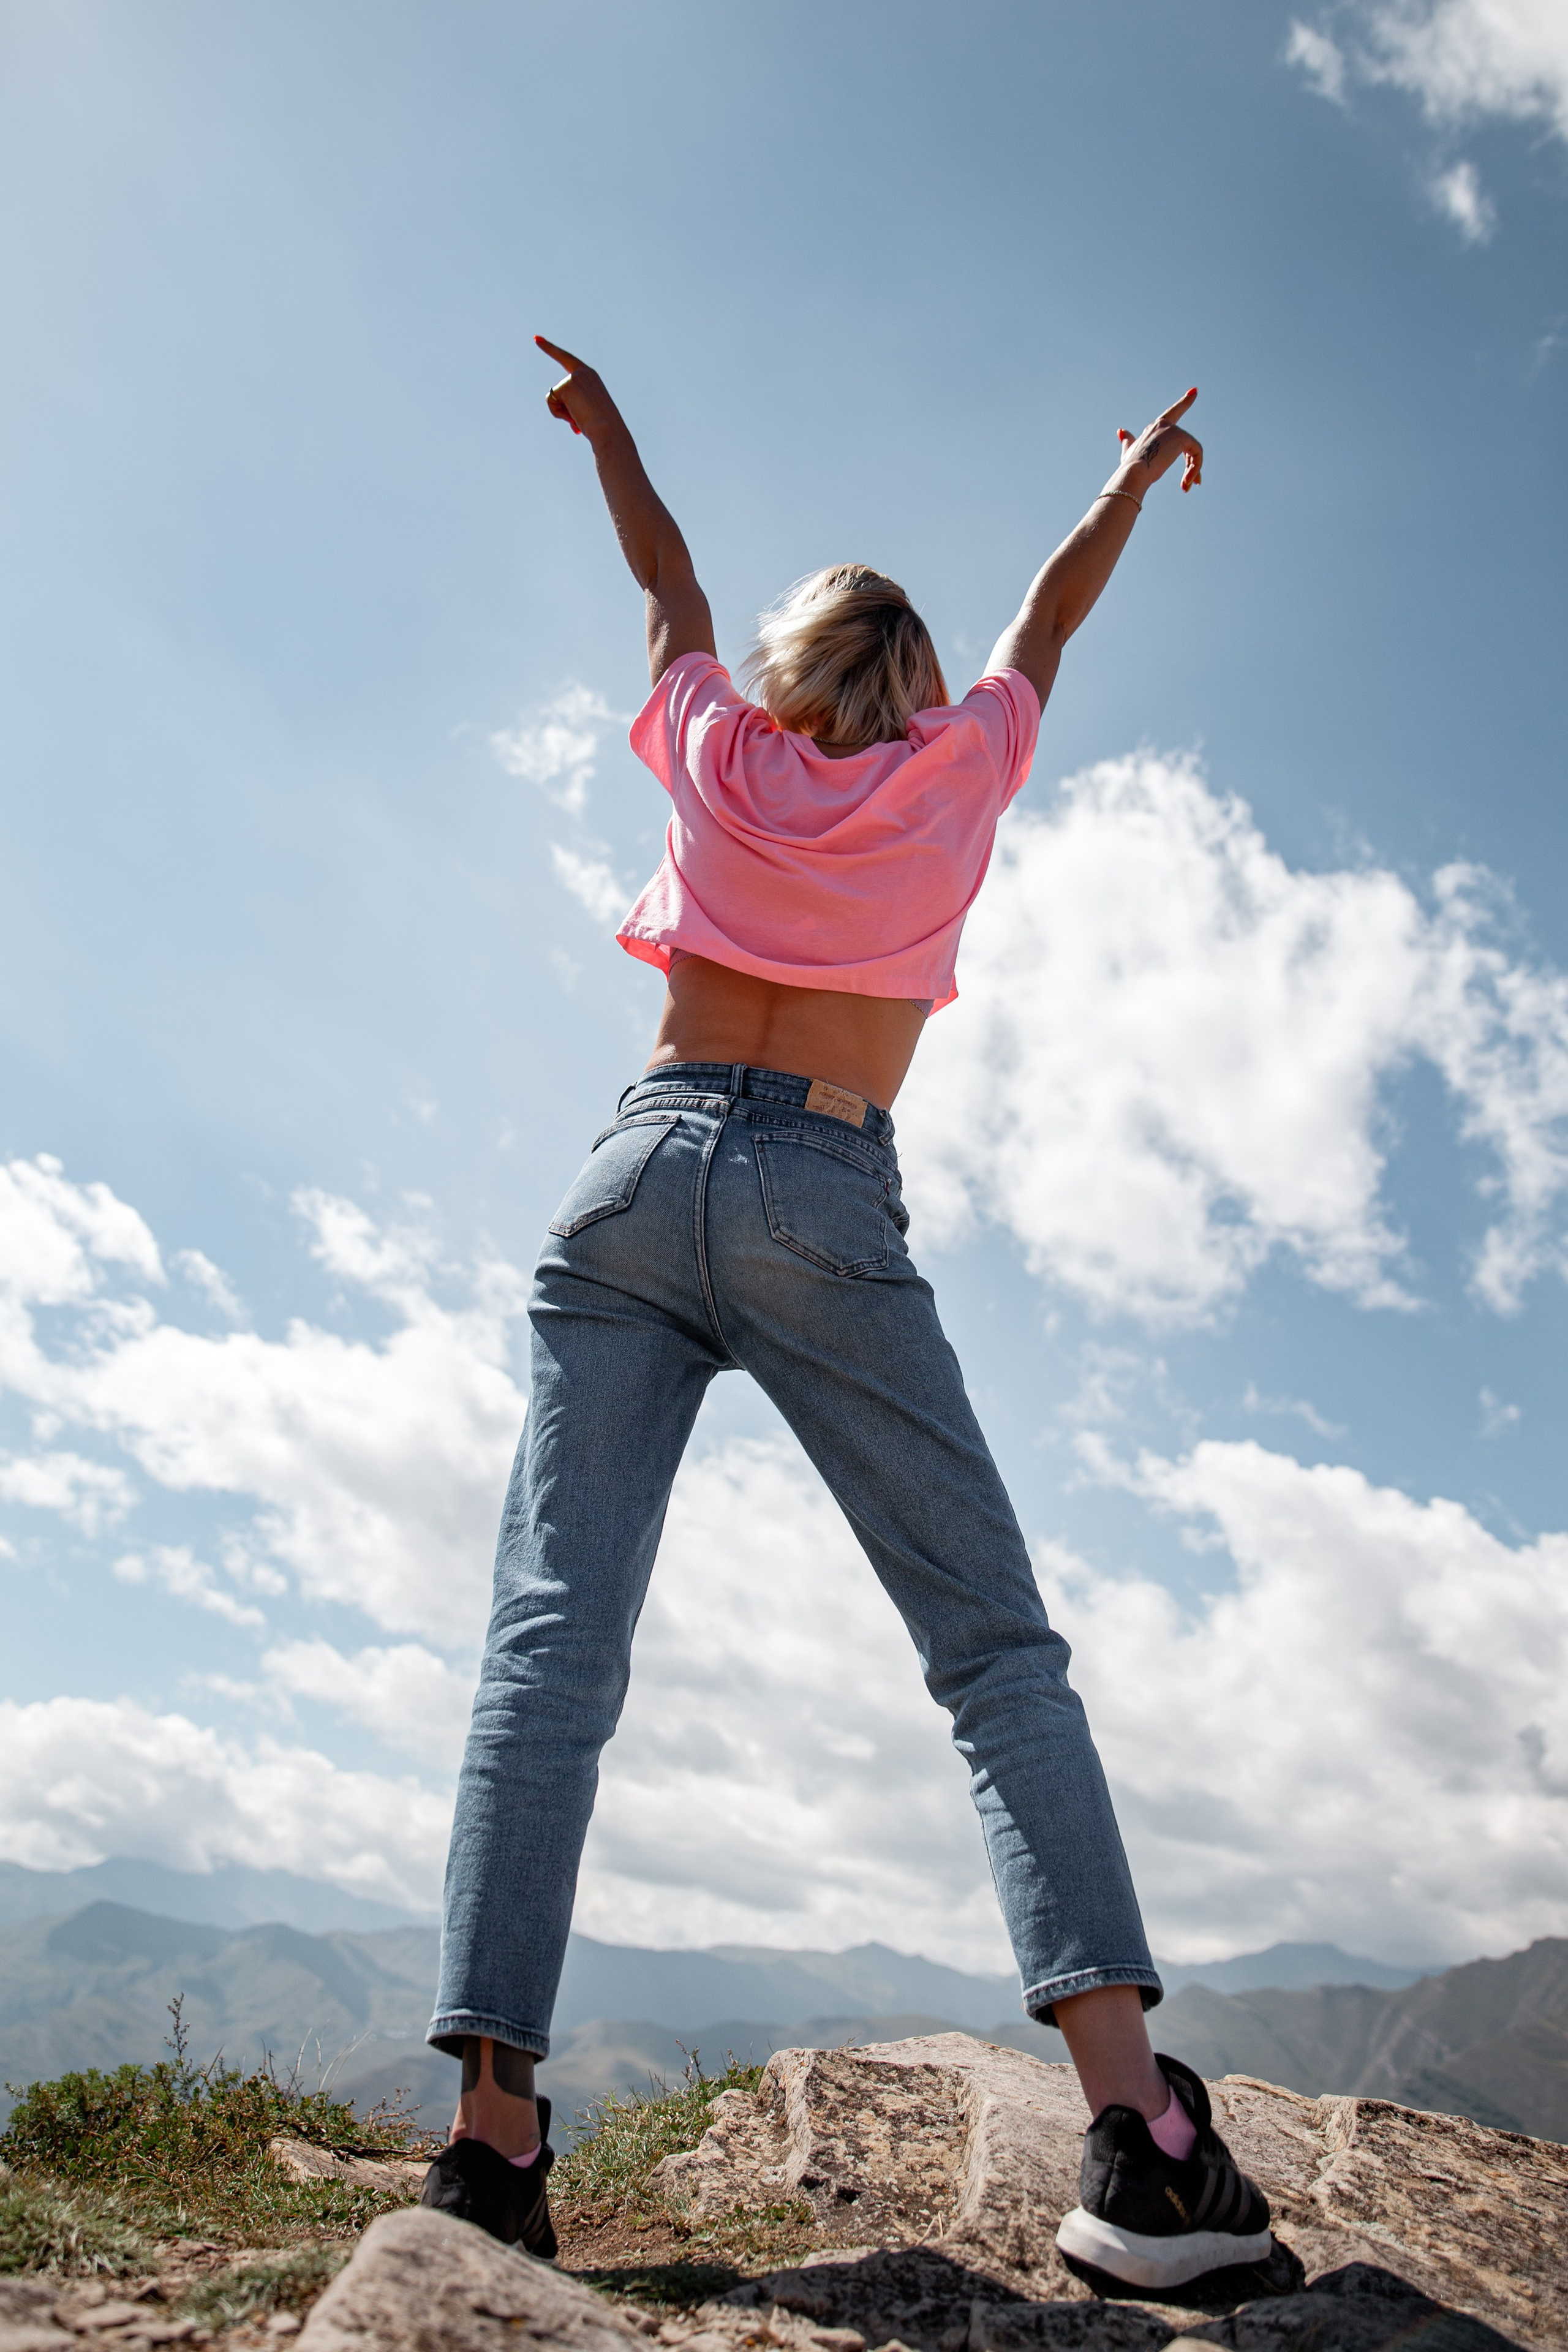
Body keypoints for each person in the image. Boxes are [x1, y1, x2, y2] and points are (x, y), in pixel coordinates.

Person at [418, 342, 1272, 2293]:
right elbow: (1051, 614)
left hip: (629, 1182)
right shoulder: (965, 764)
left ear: (797, 670)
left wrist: (617, 439)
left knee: (544, 1661)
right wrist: (1132, 479)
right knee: (993, 1655)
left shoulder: (717, 746)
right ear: (915, 686)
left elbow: (669, 593)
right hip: (824, 1186)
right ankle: (1144, 2153)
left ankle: (488, 2151)